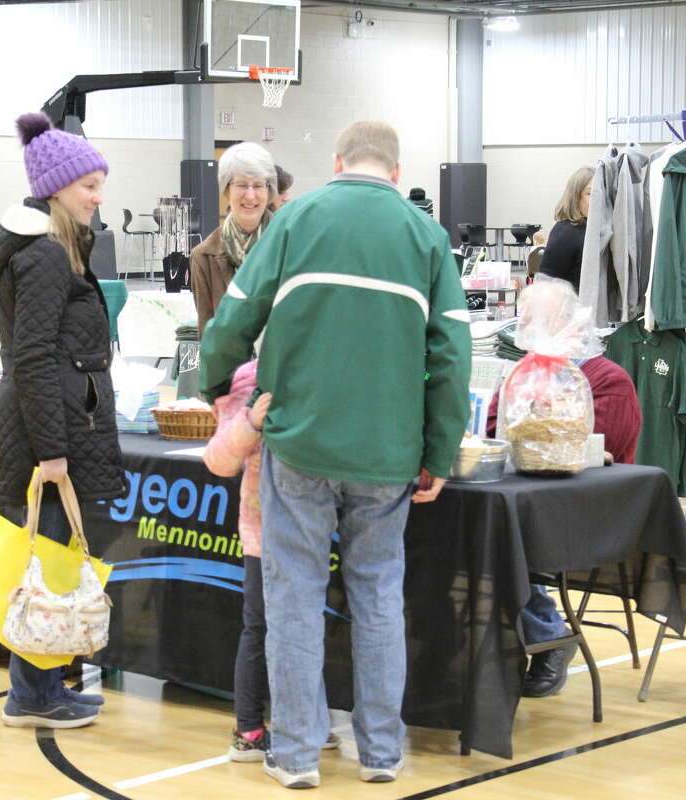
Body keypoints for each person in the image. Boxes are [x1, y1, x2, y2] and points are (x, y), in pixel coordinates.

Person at [200, 120, 472, 789]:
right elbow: (452, 356)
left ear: (337, 159)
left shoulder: (298, 220)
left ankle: (294, 756)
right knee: (379, 596)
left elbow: (234, 314)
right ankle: (381, 753)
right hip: (387, 451)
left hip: (302, 441)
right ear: (396, 166)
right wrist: (439, 449)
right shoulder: (426, 236)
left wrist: (215, 379)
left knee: (293, 599)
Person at [0, 111, 124, 729]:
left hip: (57, 416)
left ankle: (40, 687)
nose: (98, 197)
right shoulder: (42, 256)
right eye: (89, 186)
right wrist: (52, 449)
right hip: (50, 423)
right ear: (57, 188)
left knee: (51, 560)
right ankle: (33, 694)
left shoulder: (54, 246)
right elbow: (35, 356)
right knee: (46, 558)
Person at [484, 279, 642, 697]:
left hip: (586, 509)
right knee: (471, 523)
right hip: (522, 497)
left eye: (542, 319)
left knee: (502, 533)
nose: (532, 326)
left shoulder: (608, 380)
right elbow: (493, 429)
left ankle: (550, 636)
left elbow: (595, 449)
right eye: (527, 318)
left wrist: (539, 426)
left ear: (571, 322)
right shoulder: (525, 375)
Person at [202, 361, 340, 762]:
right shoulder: (250, 381)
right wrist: (250, 420)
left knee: (306, 624)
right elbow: (219, 460)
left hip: (310, 532)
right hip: (263, 537)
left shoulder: (319, 370)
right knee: (261, 627)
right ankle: (248, 730)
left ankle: (305, 721)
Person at [189, 142, 276, 337]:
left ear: (269, 190)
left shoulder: (291, 244)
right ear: (227, 189)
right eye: (242, 185)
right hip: (233, 365)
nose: (250, 195)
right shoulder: (204, 257)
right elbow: (209, 335)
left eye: (259, 185)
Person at [536, 166, 594, 290]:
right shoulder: (566, 231)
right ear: (576, 197)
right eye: (589, 193)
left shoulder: (595, 230)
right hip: (570, 307)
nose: (596, 199)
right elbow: (546, 284)